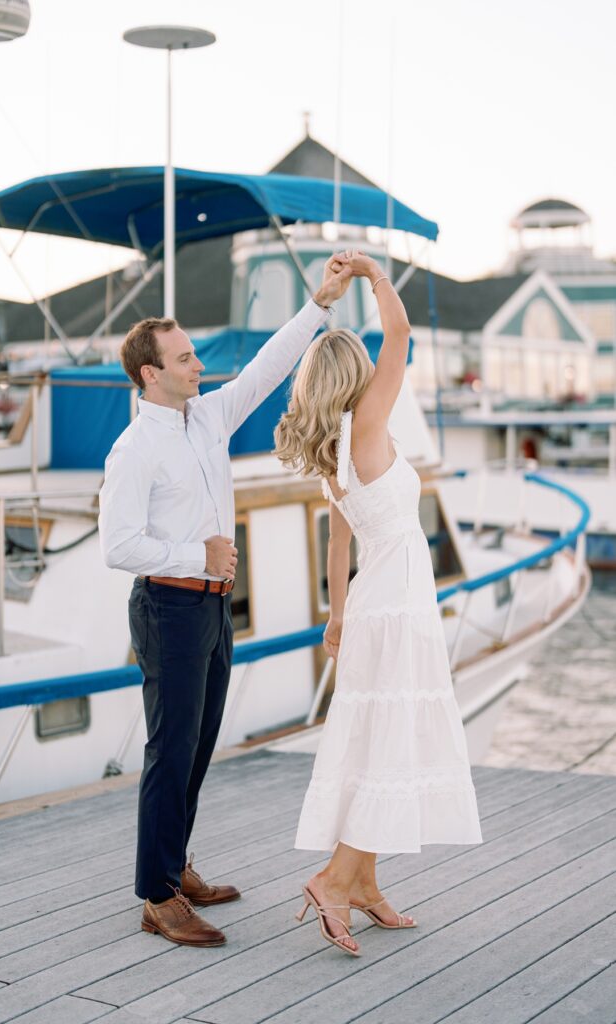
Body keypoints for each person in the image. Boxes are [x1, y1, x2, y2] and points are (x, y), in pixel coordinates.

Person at [98, 254, 353, 949]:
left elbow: (269, 366)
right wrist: (196, 556)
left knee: (199, 745)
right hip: (168, 607)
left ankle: (174, 865)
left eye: (193, 355)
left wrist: (320, 304)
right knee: (169, 749)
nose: (196, 365)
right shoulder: (132, 449)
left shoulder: (206, 417)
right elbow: (117, 545)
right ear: (150, 373)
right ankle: (156, 896)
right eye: (183, 358)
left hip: (210, 608)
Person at [273, 250, 483, 956]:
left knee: (377, 746)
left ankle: (360, 884)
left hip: (372, 605)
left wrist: (335, 617)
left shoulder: (333, 449)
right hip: (394, 601)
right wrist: (372, 276)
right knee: (391, 745)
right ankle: (334, 881)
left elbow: (338, 546)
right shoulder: (367, 419)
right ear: (354, 378)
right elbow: (399, 337)